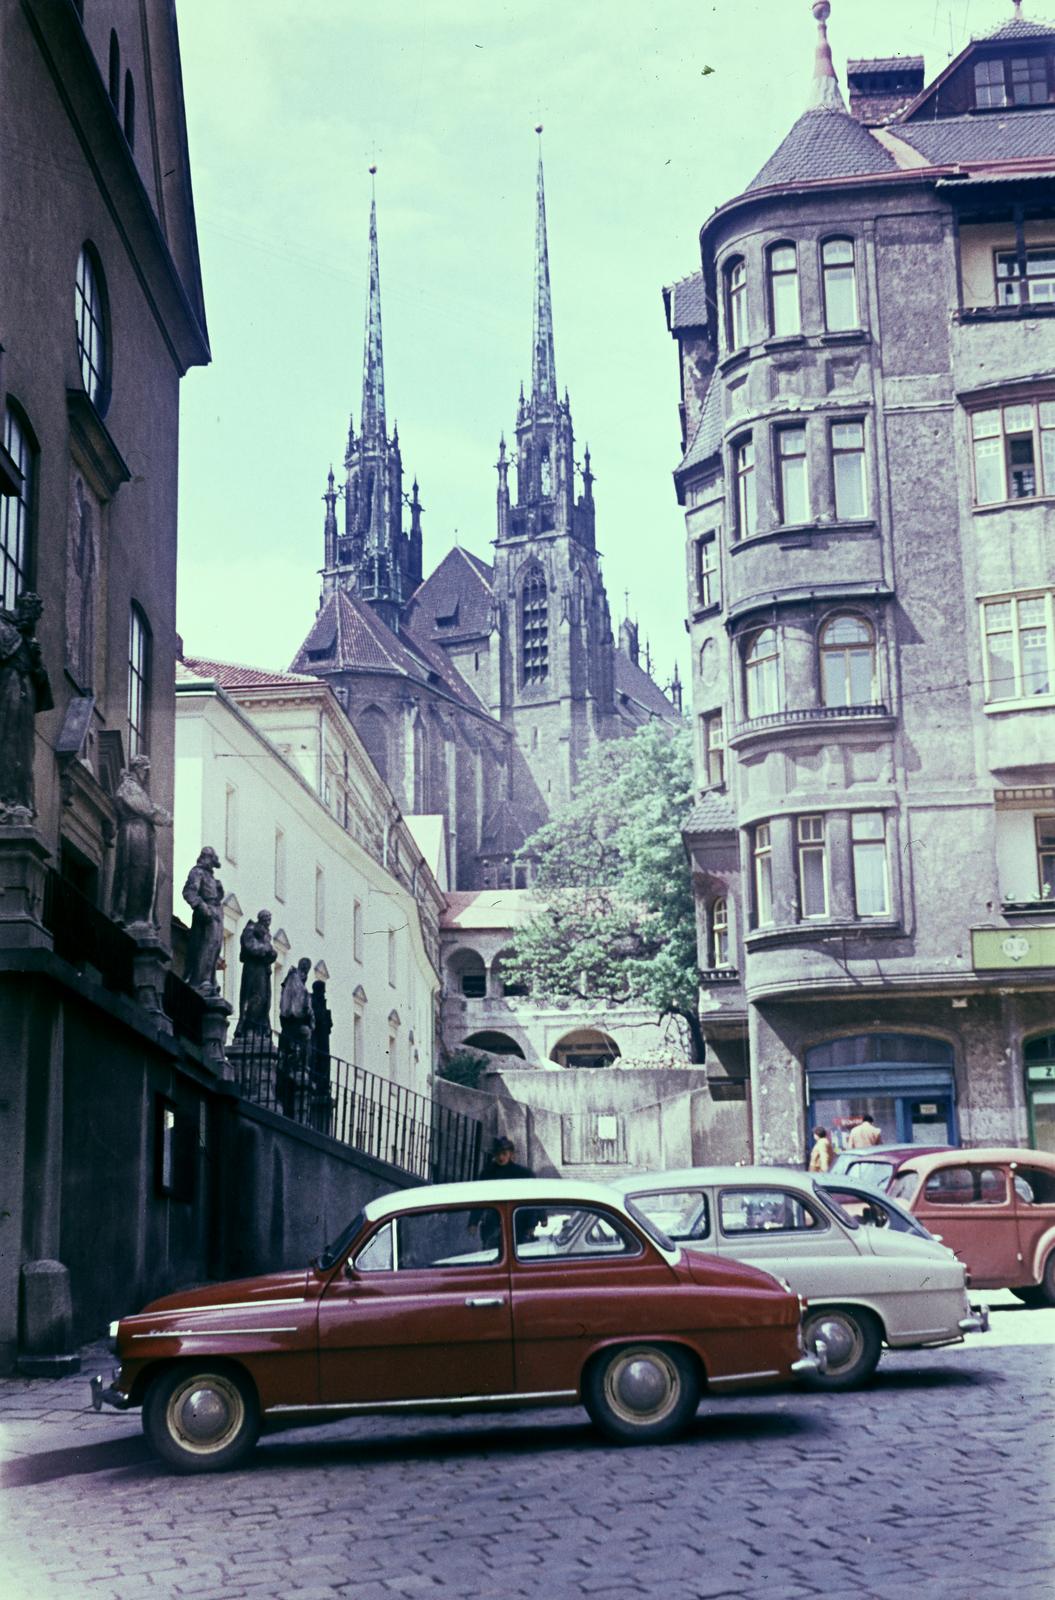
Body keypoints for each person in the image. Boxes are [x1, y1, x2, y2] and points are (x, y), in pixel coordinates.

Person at [468, 1137, 535, 1251]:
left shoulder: (523, 1174)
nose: (501, 1157)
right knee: (491, 1251)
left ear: (511, 1154)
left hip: (518, 1221)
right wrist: (473, 1222)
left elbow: (531, 1199)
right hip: (493, 1222)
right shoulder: (487, 1174)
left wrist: (532, 1224)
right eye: (498, 1154)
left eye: (504, 1154)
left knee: (518, 1251)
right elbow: (479, 1198)